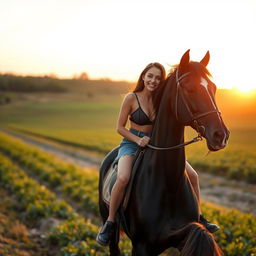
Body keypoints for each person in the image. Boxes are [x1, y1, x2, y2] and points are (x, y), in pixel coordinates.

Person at [96, 62, 219, 246]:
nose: (153, 81)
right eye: (150, 76)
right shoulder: (131, 98)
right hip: (131, 143)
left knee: (193, 175)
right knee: (123, 177)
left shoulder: (160, 99)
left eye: (157, 78)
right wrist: (138, 140)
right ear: (143, 77)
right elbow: (119, 128)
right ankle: (110, 222)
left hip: (155, 145)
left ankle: (199, 217)